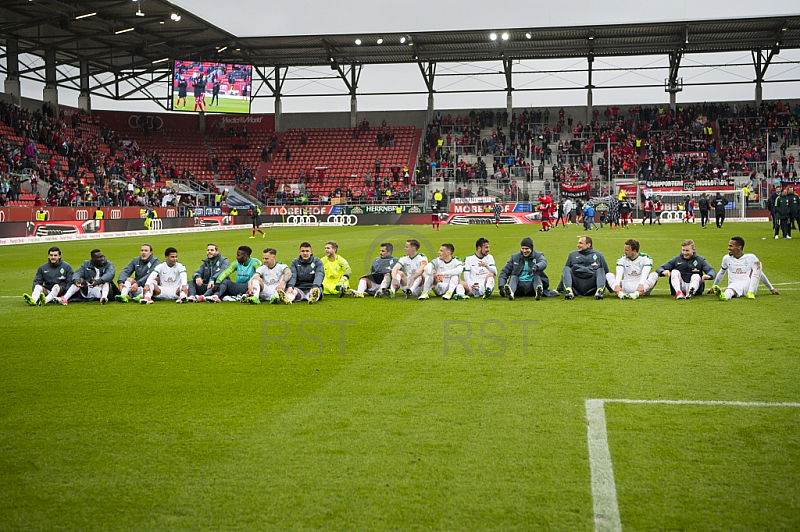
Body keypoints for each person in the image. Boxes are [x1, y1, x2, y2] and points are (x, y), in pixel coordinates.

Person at [709, 236, 779, 300]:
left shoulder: (751, 257)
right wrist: (714, 286)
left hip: (749, 286)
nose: (728, 248)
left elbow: (759, 274)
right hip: (734, 284)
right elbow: (721, 272)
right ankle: (724, 296)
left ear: (739, 247)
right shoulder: (726, 258)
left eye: (731, 246)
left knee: (758, 265)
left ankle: (750, 292)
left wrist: (771, 288)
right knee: (730, 290)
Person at [557, 235, 610, 299]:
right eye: (578, 243)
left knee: (601, 270)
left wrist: (612, 289)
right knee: (566, 268)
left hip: (591, 284)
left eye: (580, 243)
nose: (578, 245)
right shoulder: (572, 255)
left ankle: (599, 292)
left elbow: (606, 273)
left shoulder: (598, 255)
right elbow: (565, 273)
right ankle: (569, 292)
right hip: (576, 284)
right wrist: (558, 289)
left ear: (588, 244)